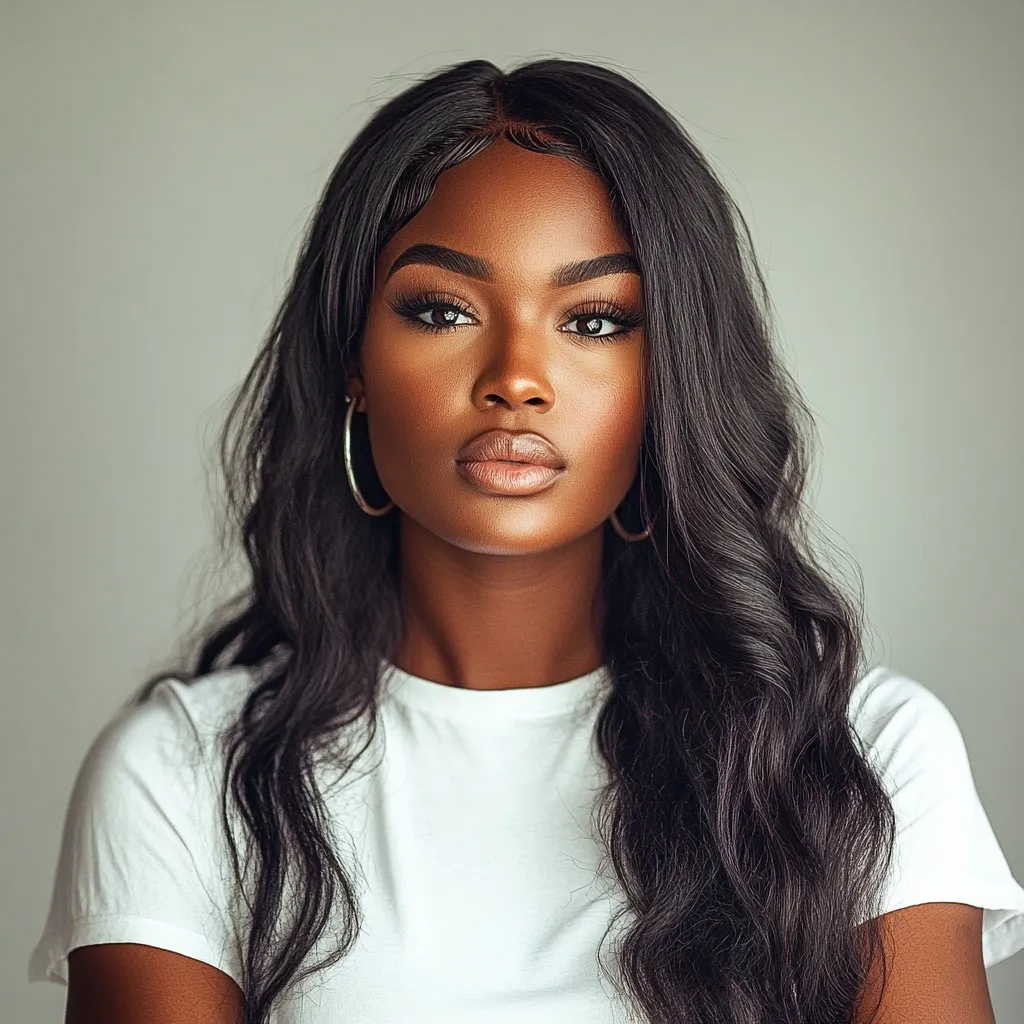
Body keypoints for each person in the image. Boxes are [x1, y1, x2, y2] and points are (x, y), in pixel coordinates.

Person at [28, 56, 1024, 1024]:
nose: (516, 376)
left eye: (594, 321)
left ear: (670, 376)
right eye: (442, 308)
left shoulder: (859, 754)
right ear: (353, 365)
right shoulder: (182, 772)